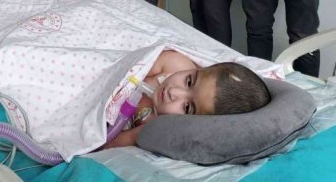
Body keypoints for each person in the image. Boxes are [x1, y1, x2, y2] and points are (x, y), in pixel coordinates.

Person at [105, 50, 270, 148]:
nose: (173, 92)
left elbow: (105, 145)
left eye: (187, 107)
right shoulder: (173, 64)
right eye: (189, 81)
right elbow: (125, 65)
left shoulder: (158, 128)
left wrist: (141, 125)